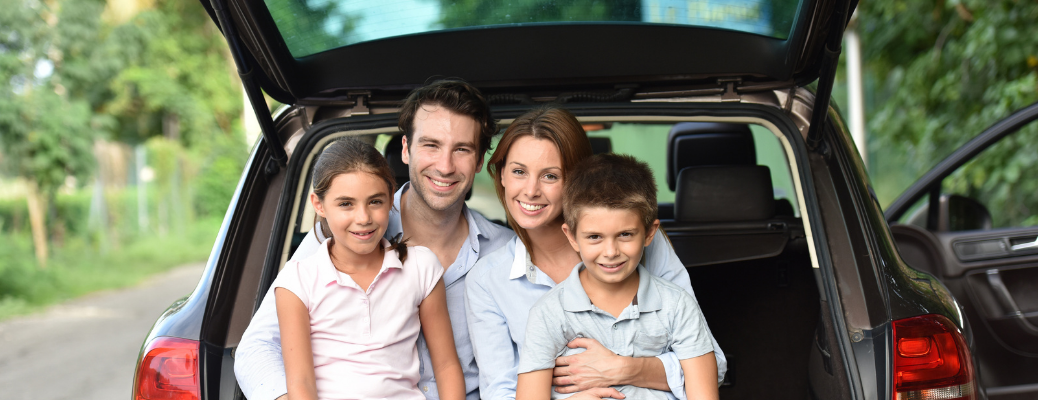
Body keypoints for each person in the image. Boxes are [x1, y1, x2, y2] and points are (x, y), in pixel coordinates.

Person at [235, 79, 514, 400]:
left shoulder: (507, 252)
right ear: (407, 149)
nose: (445, 166)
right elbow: (257, 346)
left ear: (479, 161)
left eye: (462, 149)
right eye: (431, 145)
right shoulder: (342, 236)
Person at [465, 106, 726, 400]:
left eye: (550, 176)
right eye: (518, 172)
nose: (531, 190)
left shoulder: (643, 249)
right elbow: (501, 391)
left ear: (576, 181)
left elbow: (711, 367)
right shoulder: (490, 281)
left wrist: (623, 368)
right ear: (500, 176)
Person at [515, 154, 719, 400]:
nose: (610, 252)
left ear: (649, 233)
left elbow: (704, 394)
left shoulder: (677, 305)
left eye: (625, 235)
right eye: (594, 237)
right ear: (571, 237)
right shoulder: (548, 313)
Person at [274, 138, 464, 400]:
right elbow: (301, 384)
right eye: (345, 204)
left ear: (391, 199)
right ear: (318, 204)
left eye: (375, 201)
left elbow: (446, 366)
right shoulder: (297, 281)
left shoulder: (420, 267)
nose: (363, 218)